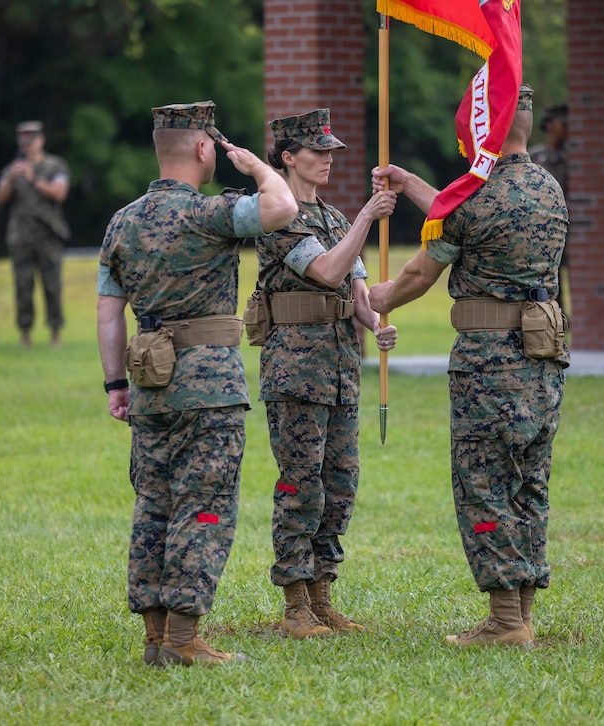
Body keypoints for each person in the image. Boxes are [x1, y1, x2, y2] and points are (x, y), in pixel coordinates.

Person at [96, 101, 297, 667]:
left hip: (149, 383)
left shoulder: (122, 222)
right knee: (204, 506)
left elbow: (109, 313)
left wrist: (115, 384)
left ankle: (156, 637)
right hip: (208, 386)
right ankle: (185, 639)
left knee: (153, 504)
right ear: (205, 149)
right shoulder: (210, 215)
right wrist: (258, 166)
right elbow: (281, 206)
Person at [368, 85, 569, 649]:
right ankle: (522, 611)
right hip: (542, 359)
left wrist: (369, 298)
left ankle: (505, 623)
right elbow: (467, 219)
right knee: (529, 480)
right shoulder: (548, 189)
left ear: (489, 123)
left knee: (484, 483)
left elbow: (417, 275)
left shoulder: (476, 196)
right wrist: (411, 187)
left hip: (490, 363)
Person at [255, 109, 398, 639]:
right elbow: (327, 271)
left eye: (332, 151)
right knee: (301, 484)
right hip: (296, 368)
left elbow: (356, 294)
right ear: (288, 156)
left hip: (340, 368)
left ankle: (322, 595)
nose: (328, 159)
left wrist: (376, 322)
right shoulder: (280, 217)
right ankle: (294, 603)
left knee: (340, 484)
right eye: (317, 152)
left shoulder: (336, 219)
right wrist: (368, 217)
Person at [0, 121, 71, 346]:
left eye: (31, 141)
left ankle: (55, 334)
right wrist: (10, 178)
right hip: (21, 238)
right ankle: (25, 334)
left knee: (52, 287)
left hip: (49, 236)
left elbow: (59, 193)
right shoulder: (12, 168)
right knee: (23, 287)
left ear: (41, 140)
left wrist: (33, 179)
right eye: (23, 143)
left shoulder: (54, 166)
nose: (27, 146)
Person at [532, 104, 569, 269]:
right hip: (541, 227)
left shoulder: (571, 158)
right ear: (550, 126)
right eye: (565, 125)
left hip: (567, 225)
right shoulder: (534, 157)